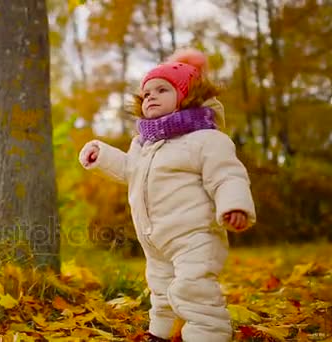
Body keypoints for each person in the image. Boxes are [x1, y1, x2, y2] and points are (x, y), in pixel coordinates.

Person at [78, 48, 256, 342]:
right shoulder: (143, 145)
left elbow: (227, 175)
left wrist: (234, 205)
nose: (151, 96)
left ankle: (207, 334)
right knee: (160, 289)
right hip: (155, 238)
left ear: (186, 96)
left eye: (162, 90)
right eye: (146, 93)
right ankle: (160, 334)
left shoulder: (206, 139)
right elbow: (129, 170)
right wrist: (103, 156)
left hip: (195, 236)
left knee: (194, 288)